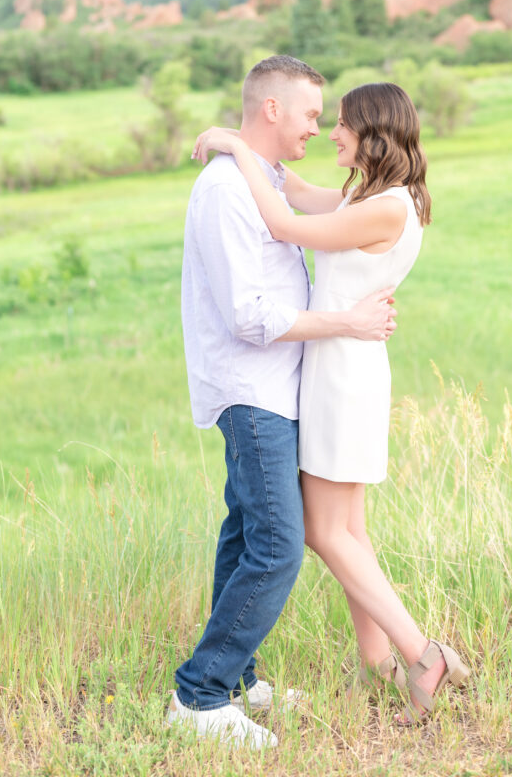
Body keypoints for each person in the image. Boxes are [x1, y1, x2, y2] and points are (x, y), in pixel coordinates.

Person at [192, 80, 470, 726]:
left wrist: (233, 146)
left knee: (322, 531)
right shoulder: (367, 197)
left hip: (340, 371)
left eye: (340, 124)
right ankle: (377, 665)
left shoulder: (383, 207)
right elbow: (288, 189)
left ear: (371, 133)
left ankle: (421, 654)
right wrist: (253, 151)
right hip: (339, 366)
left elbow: (284, 222)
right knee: (349, 531)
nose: (330, 133)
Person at [169, 57, 397, 749]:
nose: (316, 129)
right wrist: (347, 324)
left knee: (244, 533)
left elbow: (344, 204)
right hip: (251, 389)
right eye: (307, 115)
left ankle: (234, 680)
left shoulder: (262, 178)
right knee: (276, 546)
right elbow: (247, 316)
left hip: (279, 387)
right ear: (271, 110)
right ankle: (199, 697)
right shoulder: (224, 190)